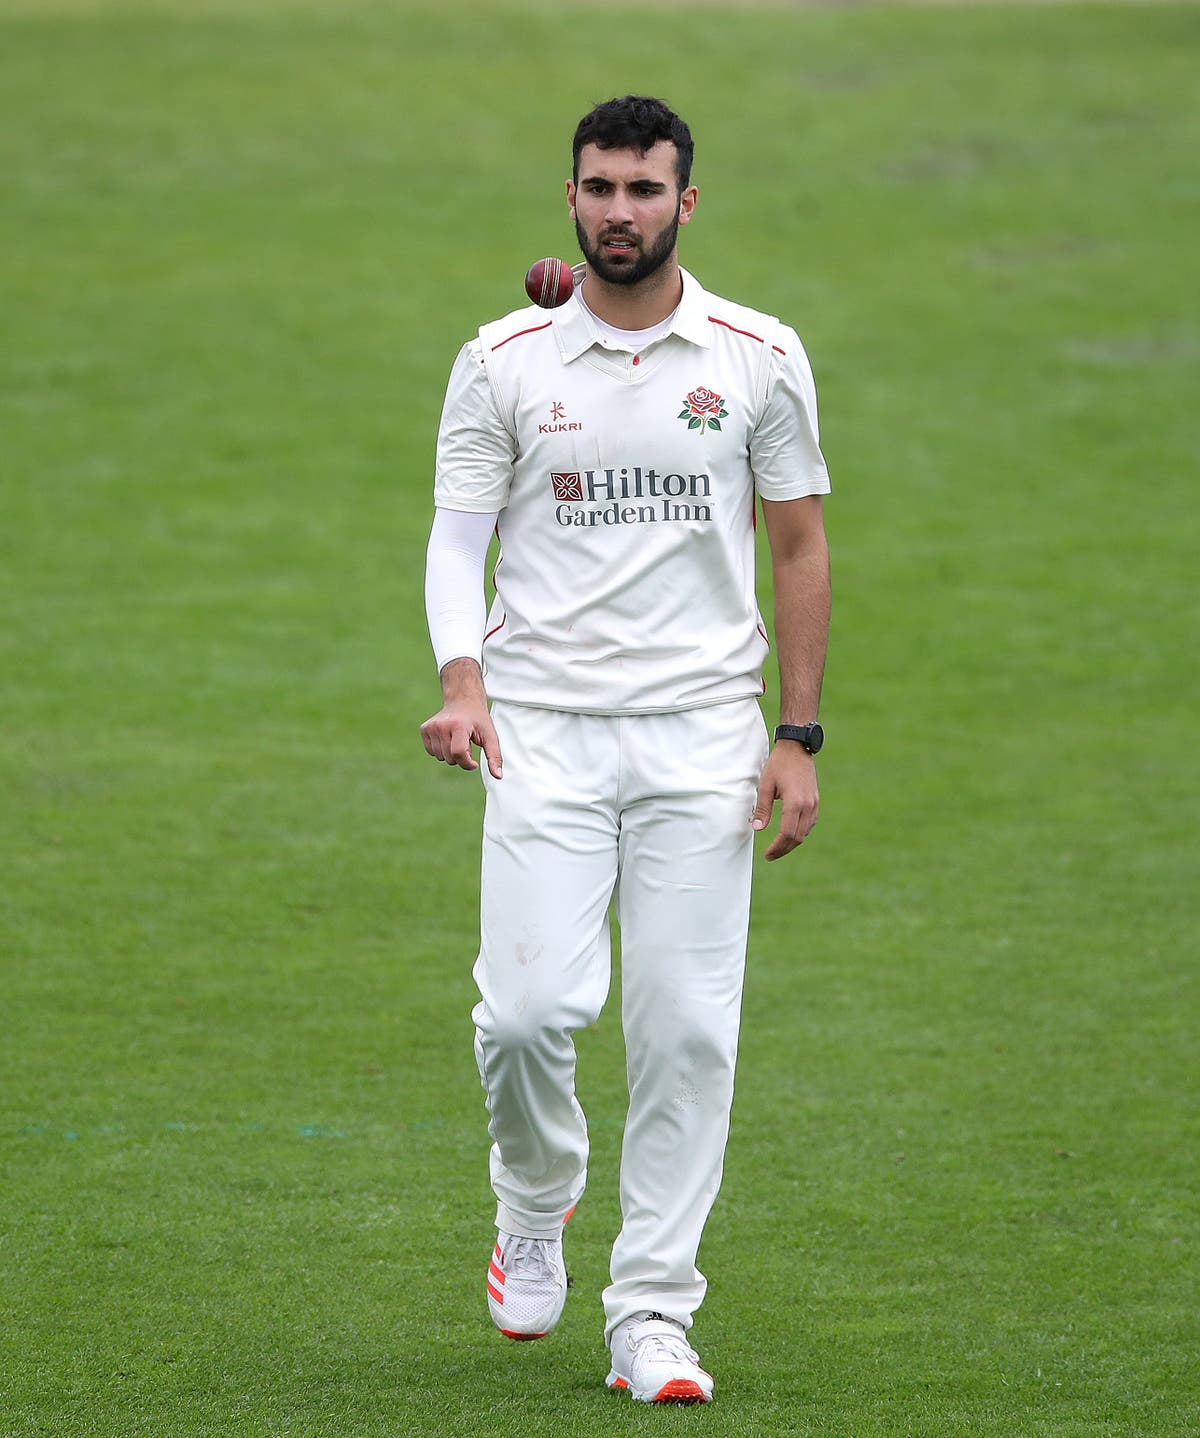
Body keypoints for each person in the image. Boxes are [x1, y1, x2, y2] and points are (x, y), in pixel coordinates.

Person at [420, 94, 831, 1405]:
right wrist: (462, 678)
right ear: (571, 196)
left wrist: (798, 733)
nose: (618, 211)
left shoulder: (760, 354)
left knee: (687, 1033)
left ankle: (652, 1313)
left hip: (704, 734)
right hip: (539, 729)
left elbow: (801, 545)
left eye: (643, 190)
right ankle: (533, 1197)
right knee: (531, 1012)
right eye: (597, 188)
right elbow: (455, 535)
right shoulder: (504, 360)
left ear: (684, 203)